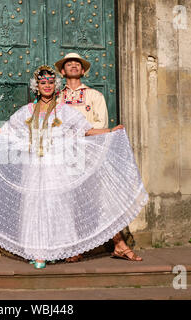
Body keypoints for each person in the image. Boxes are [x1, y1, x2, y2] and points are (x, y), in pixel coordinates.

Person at [0, 65, 148, 269]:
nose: (46, 86)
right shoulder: (26, 111)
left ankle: (61, 248)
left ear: (55, 86)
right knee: (34, 205)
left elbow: (87, 131)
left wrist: (111, 130)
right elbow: (8, 132)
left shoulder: (64, 111)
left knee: (57, 205)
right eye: (42, 83)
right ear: (36, 86)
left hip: (57, 167)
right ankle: (38, 252)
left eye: (50, 82)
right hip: (33, 168)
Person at [55, 53, 143, 262]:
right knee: (70, 202)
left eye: (78, 64)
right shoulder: (57, 98)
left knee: (103, 200)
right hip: (65, 156)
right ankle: (74, 248)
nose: (74, 65)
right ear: (62, 71)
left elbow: (100, 125)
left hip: (90, 155)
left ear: (83, 71)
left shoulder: (94, 96)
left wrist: (78, 132)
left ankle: (119, 244)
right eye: (69, 64)